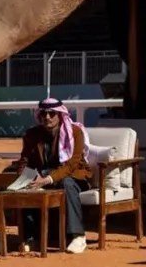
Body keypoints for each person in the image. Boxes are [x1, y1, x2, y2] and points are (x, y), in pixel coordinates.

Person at [11, 98, 90, 254]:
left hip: (74, 176)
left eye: (51, 114)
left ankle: (78, 236)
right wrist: (25, 177)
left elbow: (72, 164)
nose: (47, 117)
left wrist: (47, 179)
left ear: (60, 115)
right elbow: (24, 161)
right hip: (43, 176)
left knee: (67, 183)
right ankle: (30, 238)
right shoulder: (32, 134)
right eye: (43, 114)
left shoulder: (75, 132)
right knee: (26, 186)